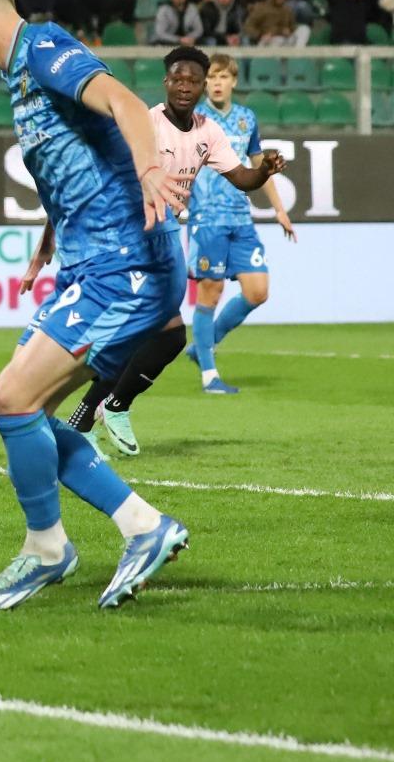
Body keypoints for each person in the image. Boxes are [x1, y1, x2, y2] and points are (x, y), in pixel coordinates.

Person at [0, 0, 189, 611]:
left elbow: (125, 104)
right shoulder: (22, 76)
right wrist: (50, 236)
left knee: (12, 399)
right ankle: (139, 526)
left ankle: (49, 548)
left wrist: (153, 168)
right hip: (88, 264)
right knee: (29, 413)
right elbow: (79, 152)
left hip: (120, 267)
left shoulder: (44, 48)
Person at [56, 47, 286, 456]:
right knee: (152, 332)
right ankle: (98, 409)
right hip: (129, 234)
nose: (185, 87)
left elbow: (242, 177)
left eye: (192, 81)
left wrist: (265, 170)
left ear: (200, 86)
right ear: (166, 82)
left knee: (167, 337)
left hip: (160, 236)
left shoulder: (207, 132)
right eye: (177, 79)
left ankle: (97, 411)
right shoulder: (145, 123)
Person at [185, 53, 297, 392]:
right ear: (205, 83)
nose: (217, 83)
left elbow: (260, 168)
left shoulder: (247, 119)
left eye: (223, 77)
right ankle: (209, 376)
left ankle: (202, 346)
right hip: (207, 218)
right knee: (211, 290)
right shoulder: (193, 119)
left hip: (240, 218)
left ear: (234, 81)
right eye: (212, 77)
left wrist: (279, 209)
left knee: (258, 291)